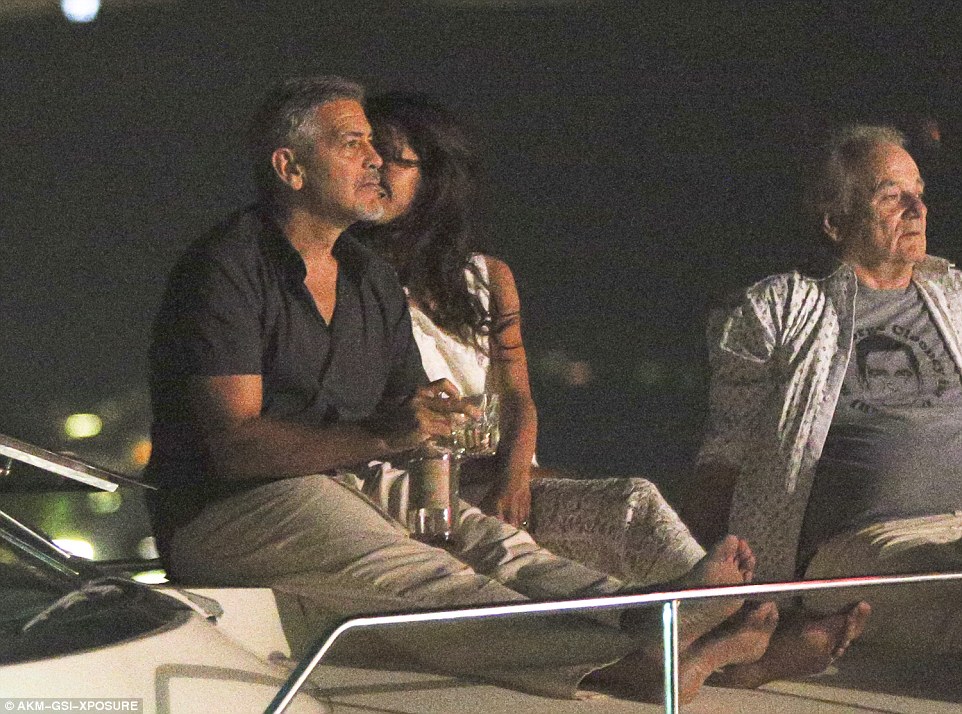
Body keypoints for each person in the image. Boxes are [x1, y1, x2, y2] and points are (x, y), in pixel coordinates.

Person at [144, 75, 777, 704]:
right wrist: (388, 435)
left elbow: (409, 412)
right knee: (421, 576)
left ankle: (648, 616)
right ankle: (627, 656)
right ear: (291, 168)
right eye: (352, 143)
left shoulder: (368, 278)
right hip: (231, 506)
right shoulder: (227, 269)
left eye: (375, 144)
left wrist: (439, 457)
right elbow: (234, 447)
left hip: (349, 475)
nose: (374, 159)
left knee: (495, 544)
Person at [685, 123, 962, 659]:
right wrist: (700, 594)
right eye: (892, 197)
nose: (918, 209)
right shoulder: (777, 309)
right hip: (870, 543)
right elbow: (725, 455)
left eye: (919, 193)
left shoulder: (956, 299)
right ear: (836, 222)